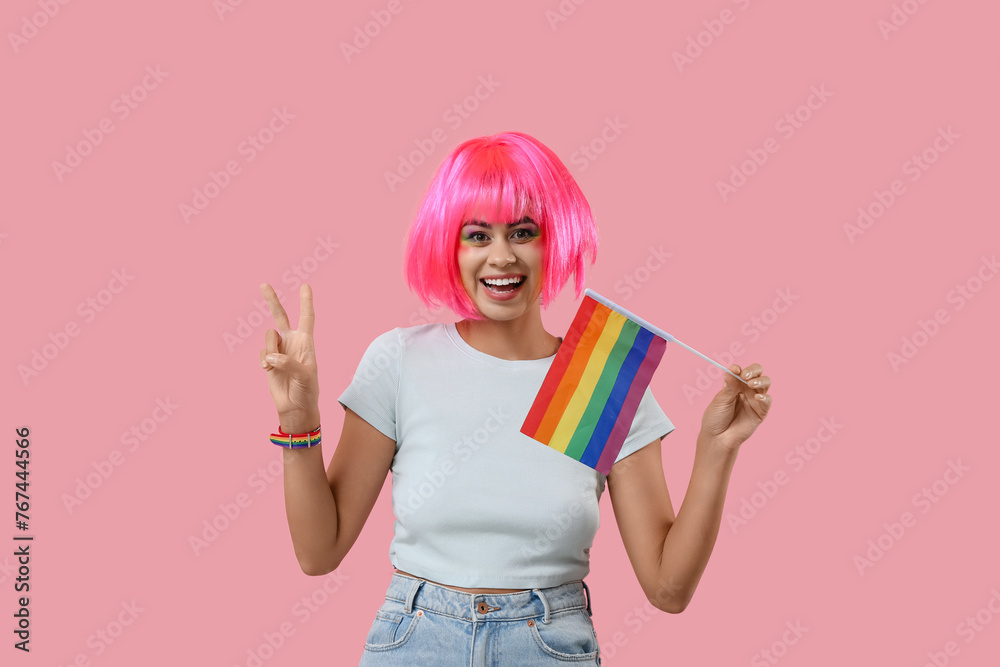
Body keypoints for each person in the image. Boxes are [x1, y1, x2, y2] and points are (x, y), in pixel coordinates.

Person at [258, 131, 773, 666]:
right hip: (415, 644)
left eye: (523, 232)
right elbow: (318, 553)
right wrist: (298, 418)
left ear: (556, 239)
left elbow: (669, 589)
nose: (501, 257)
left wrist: (718, 450)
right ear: (448, 246)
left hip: (549, 645)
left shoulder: (600, 379)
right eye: (477, 236)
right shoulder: (400, 361)